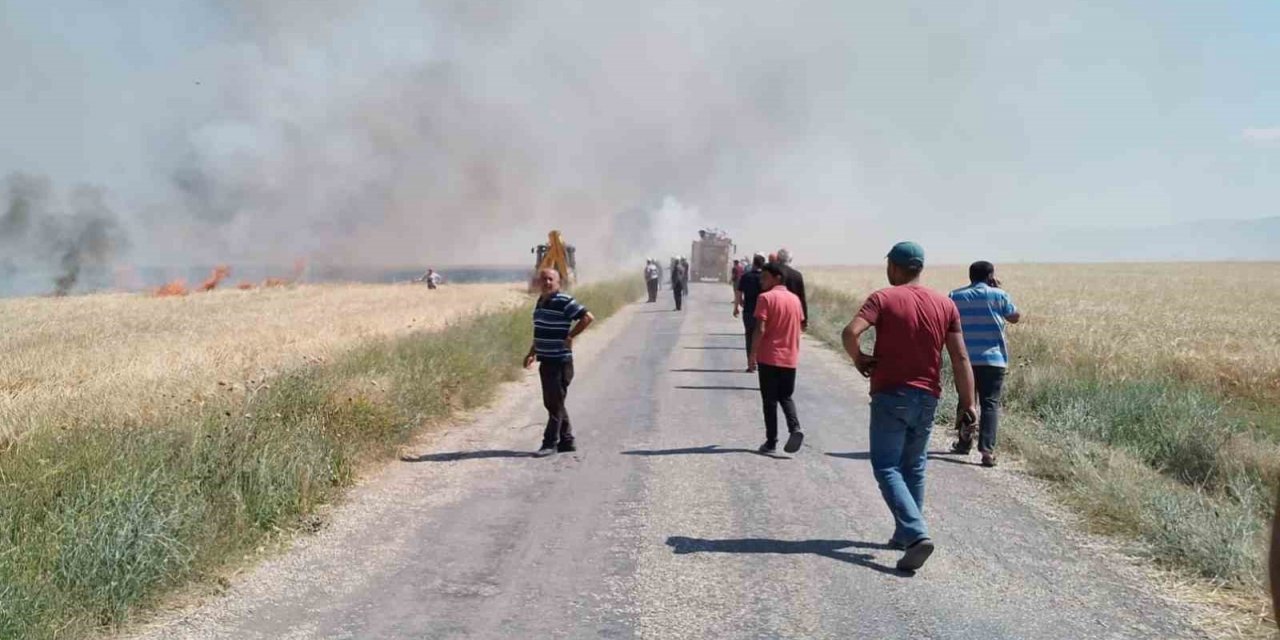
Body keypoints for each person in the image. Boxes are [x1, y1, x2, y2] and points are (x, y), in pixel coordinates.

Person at [841, 241, 977, 572]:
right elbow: (960, 356)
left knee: (886, 466)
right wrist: (967, 403)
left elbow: (850, 332)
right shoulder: (945, 305)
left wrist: (859, 359)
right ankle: (905, 535)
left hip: (891, 395)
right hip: (928, 396)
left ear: (896, 267)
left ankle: (916, 535)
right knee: (913, 466)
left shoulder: (883, 298)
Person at [948, 261, 1021, 467]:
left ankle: (963, 443)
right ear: (990, 276)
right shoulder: (999, 295)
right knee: (990, 404)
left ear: (970, 276)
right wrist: (997, 290)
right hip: (994, 359)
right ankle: (987, 452)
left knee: (965, 400)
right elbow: (1014, 317)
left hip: (965, 359)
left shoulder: (955, 296)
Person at [523, 268, 594, 457]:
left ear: (558, 282)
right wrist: (532, 353)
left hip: (560, 361)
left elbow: (587, 317)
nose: (546, 283)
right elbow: (540, 331)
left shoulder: (564, 301)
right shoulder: (541, 301)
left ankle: (549, 443)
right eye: (543, 279)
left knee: (554, 403)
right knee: (555, 403)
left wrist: (571, 335)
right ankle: (567, 440)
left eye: (550, 279)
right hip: (545, 360)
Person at [747, 263, 806, 455]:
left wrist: (752, 354)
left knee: (769, 401)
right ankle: (794, 428)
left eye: (765, 277)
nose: (761, 280)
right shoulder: (795, 300)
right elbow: (799, 325)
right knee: (786, 396)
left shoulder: (765, 298)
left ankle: (771, 442)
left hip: (769, 357)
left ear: (777, 278)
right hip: (790, 357)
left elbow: (760, 328)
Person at [733, 254, 766, 364]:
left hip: (748, 310)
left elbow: (738, 292)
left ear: (754, 263)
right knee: (761, 336)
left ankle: (750, 361)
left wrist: (736, 307)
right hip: (763, 312)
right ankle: (758, 360)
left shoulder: (746, 276)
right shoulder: (766, 278)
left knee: (749, 335)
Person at [775, 248, 809, 331]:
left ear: (777, 258)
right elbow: (802, 297)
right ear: (790, 259)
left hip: (775, 309)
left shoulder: (773, 273)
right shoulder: (797, 275)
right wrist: (804, 319)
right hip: (793, 311)